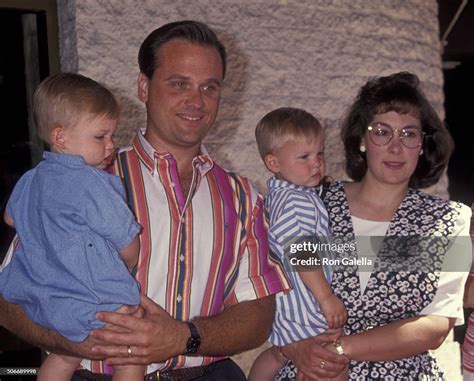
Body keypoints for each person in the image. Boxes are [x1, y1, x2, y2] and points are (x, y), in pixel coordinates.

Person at [0, 20, 290, 381]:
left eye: (209, 87)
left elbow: (259, 313)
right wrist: (75, 342)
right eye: (179, 83)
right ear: (144, 86)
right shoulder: (77, 181)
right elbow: (9, 299)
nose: (196, 100)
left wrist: (184, 337)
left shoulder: (244, 197)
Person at [275, 72, 472, 380]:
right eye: (381, 132)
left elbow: (435, 325)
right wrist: (294, 348)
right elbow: (271, 288)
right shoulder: (314, 203)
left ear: (423, 145)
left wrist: (341, 348)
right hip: (312, 373)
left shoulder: (449, 220)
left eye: (409, 134)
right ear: (362, 141)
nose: (396, 147)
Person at [0, 73, 143, 381]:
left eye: (111, 136)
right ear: (61, 137)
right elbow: (126, 239)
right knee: (130, 353)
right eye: (100, 137)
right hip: (96, 297)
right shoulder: (91, 182)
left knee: (64, 356)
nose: (110, 146)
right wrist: (128, 262)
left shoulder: (30, 179)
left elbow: (11, 219)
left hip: (48, 299)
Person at [249, 107, 347, 381]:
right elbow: (301, 251)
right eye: (304, 157)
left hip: (293, 306)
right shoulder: (293, 202)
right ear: (274, 163)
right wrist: (326, 298)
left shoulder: (292, 195)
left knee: (287, 358)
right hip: (304, 306)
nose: (316, 163)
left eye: (320, 154)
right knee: (333, 366)